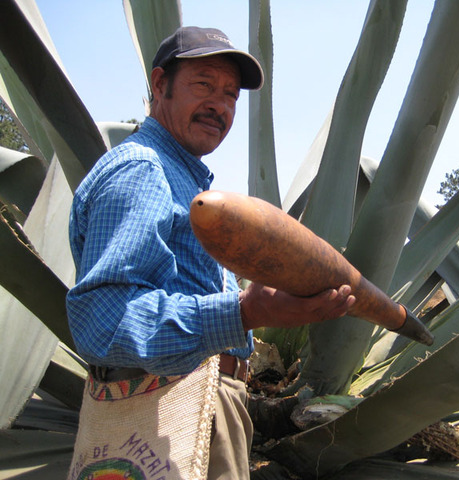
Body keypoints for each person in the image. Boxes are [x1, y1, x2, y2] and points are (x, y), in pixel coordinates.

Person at [66, 26, 355, 479]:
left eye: (231, 95)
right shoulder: (144, 172)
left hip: (197, 399)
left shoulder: (183, 179)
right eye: (204, 85)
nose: (220, 106)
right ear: (160, 85)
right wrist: (243, 311)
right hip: (168, 407)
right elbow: (103, 319)